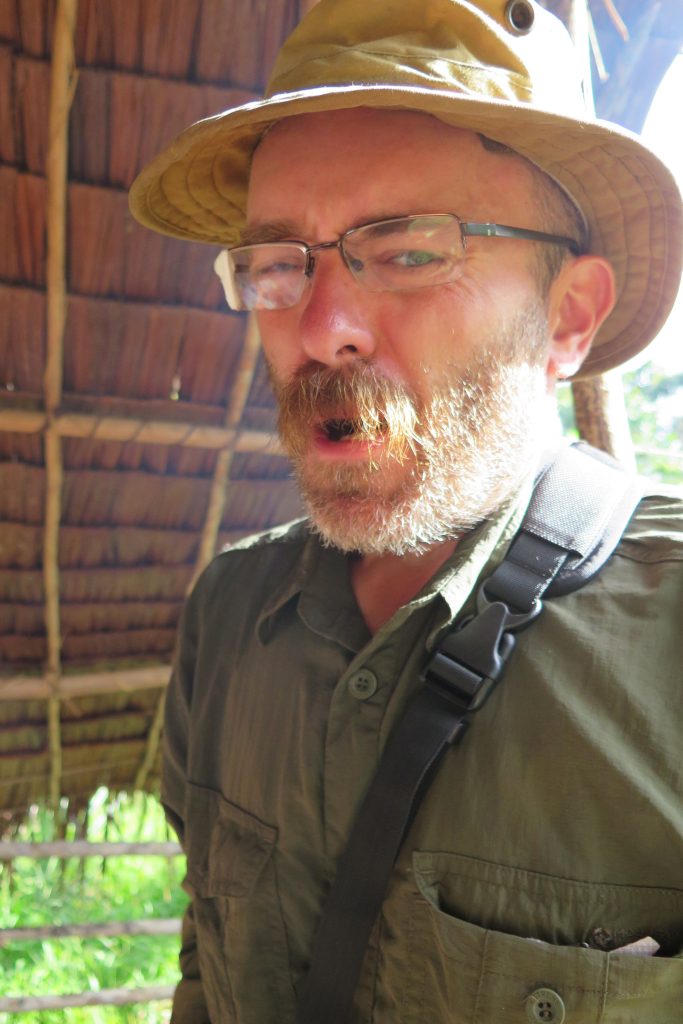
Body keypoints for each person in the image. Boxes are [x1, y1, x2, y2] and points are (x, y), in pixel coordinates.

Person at [130, 0, 683, 1021]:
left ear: (566, 317)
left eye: (409, 251)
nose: (321, 325)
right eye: (277, 264)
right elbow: (207, 973)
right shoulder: (228, 616)